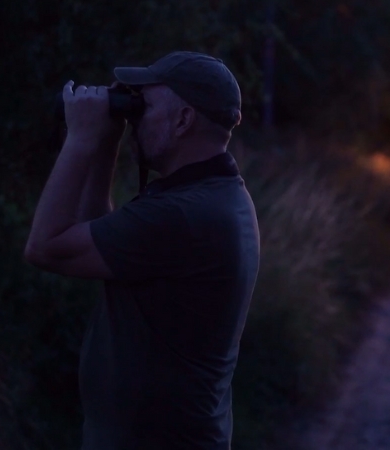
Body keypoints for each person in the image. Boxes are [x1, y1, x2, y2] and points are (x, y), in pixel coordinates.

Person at [24, 51, 260, 450]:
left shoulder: (183, 215)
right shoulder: (212, 196)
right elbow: (104, 246)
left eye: (144, 106)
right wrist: (106, 144)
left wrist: (81, 140)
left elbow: (46, 247)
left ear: (183, 120)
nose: (135, 120)